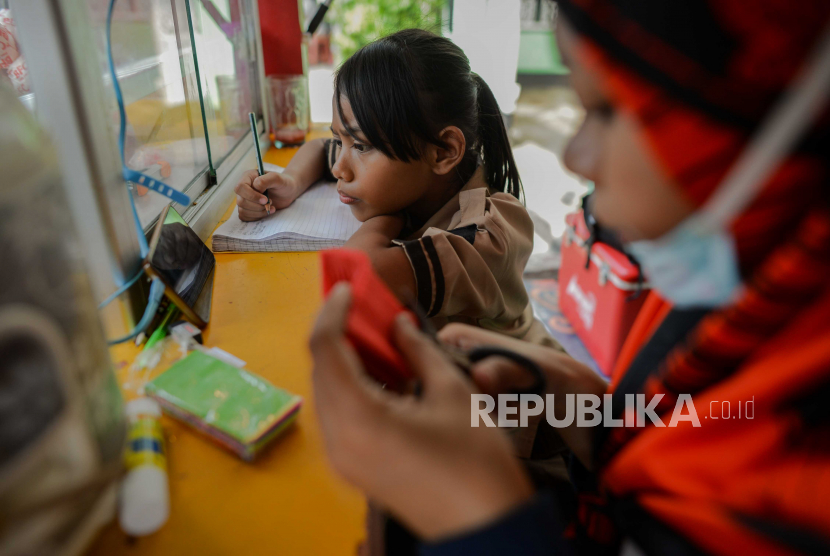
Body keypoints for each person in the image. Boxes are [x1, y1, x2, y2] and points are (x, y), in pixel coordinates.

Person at [309, 0, 830, 554]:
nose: (575, 155)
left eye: (605, 111)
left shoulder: (491, 223)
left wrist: (481, 522)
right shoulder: (735, 293)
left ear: (737, 119)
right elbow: (687, 422)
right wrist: (582, 400)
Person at [235, 29, 557, 350]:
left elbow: (358, 274)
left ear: (443, 151)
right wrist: (290, 183)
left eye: (359, 145)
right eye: (340, 140)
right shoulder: (413, 171)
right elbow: (321, 150)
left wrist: (389, 216)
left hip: (521, 396)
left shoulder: (489, 234)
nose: (339, 168)